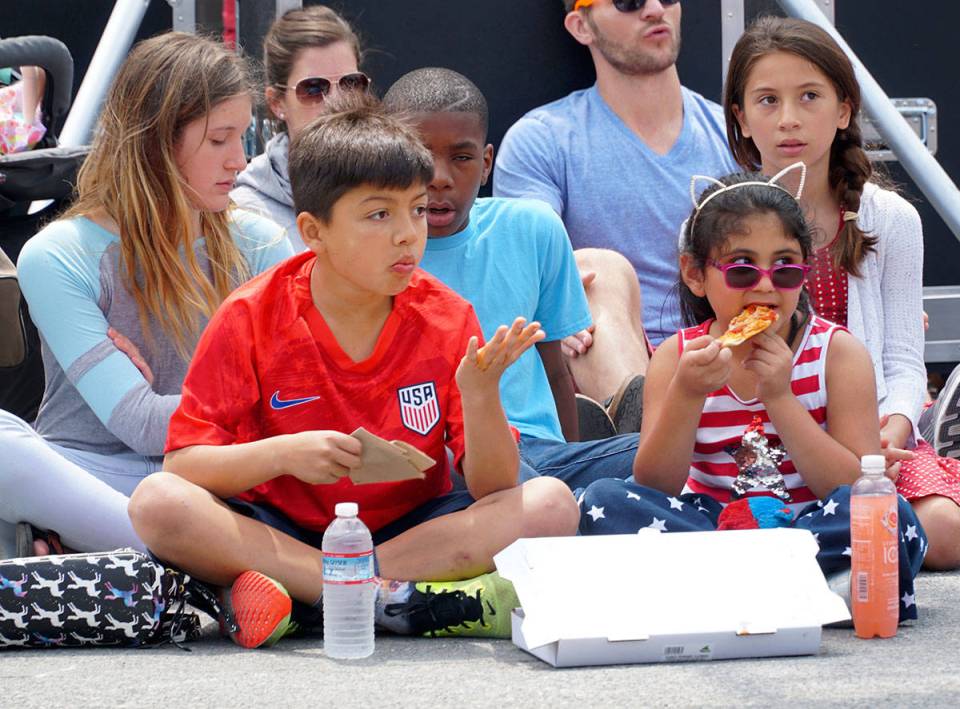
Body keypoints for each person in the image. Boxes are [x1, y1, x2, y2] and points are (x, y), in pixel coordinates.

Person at [127, 104, 581, 649]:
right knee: (157, 502)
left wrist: (480, 396)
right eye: (378, 215)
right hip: (284, 531)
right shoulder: (251, 314)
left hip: (412, 533)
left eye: (415, 210)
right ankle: (394, 600)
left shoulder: (447, 315)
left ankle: (314, 595)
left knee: (551, 502)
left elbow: (493, 488)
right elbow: (185, 464)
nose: (407, 235)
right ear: (313, 231)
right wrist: (284, 454)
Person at [723, 16, 960, 569]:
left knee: (944, 536)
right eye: (766, 100)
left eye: (809, 96)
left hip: (869, 428)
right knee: (755, 528)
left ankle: (930, 438)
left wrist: (893, 427)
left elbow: (904, 357)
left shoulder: (892, 219)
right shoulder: (719, 219)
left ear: (844, 110)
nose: (788, 119)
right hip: (762, 432)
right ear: (740, 117)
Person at [577, 169, 927, 622]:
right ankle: (806, 592)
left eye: (785, 269)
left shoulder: (836, 353)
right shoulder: (677, 357)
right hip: (714, 527)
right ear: (695, 274)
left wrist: (781, 399)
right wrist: (686, 395)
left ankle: (718, 593)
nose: (765, 286)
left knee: (888, 515)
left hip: (809, 523)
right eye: (742, 269)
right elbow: (655, 483)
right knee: (604, 499)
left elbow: (853, 486)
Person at [0, 33, 294, 560]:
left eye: (243, 137)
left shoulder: (262, 239)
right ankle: (223, 561)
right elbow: (137, 425)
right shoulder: (57, 254)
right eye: (219, 139)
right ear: (155, 142)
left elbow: (289, 402)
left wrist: (178, 407)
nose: (240, 161)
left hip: (218, 476)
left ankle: (163, 558)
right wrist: (232, 403)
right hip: (96, 478)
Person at [382, 67, 638, 486]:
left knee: (650, 458)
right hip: (435, 459)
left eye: (461, 158)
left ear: (486, 164)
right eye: (420, 157)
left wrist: (571, 470)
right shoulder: (371, 251)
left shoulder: (533, 228)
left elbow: (556, 370)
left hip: (539, 452)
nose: (440, 178)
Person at [494, 0, 737, 406]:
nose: (655, 9)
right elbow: (524, 267)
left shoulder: (732, 135)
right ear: (580, 26)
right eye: (629, 1)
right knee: (590, 269)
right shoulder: (542, 139)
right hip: (606, 361)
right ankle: (643, 431)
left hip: (726, 346)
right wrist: (554, 299)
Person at [231, 5, 371, 251]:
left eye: (350, 83)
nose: (337, 102)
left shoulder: (397, 185)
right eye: (314, 88)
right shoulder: (245, 212)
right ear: (276, 102)